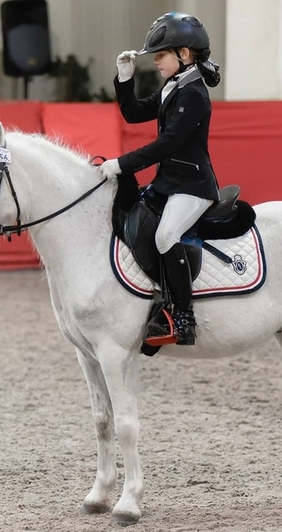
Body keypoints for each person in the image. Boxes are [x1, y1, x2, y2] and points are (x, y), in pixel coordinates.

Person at [99, 12, 221, 347]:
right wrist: (125, 79)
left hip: (193, 187)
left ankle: (183, 318)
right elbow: (134, 113)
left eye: (161, 55)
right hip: (169, 182)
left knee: (167, 235)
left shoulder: (194, 94)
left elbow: (168, 144)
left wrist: (122, 164)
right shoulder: (173, 86)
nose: (155, 62)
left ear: (184, 54)